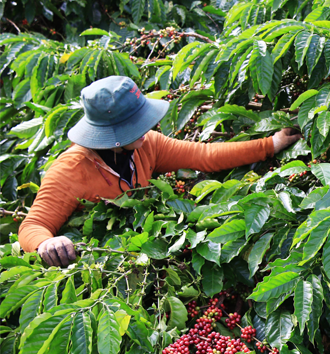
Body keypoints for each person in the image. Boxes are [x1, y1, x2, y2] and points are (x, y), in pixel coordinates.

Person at [18, 76, 301, 267]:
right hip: (103, 264)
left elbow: (204, 155)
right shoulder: (69, 171)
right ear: (112, 134)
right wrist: (47, 243)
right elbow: (32, 227)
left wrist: (271, 145)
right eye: (136, 125)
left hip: (146, 256)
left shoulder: (146, 144)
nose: (147, 129)